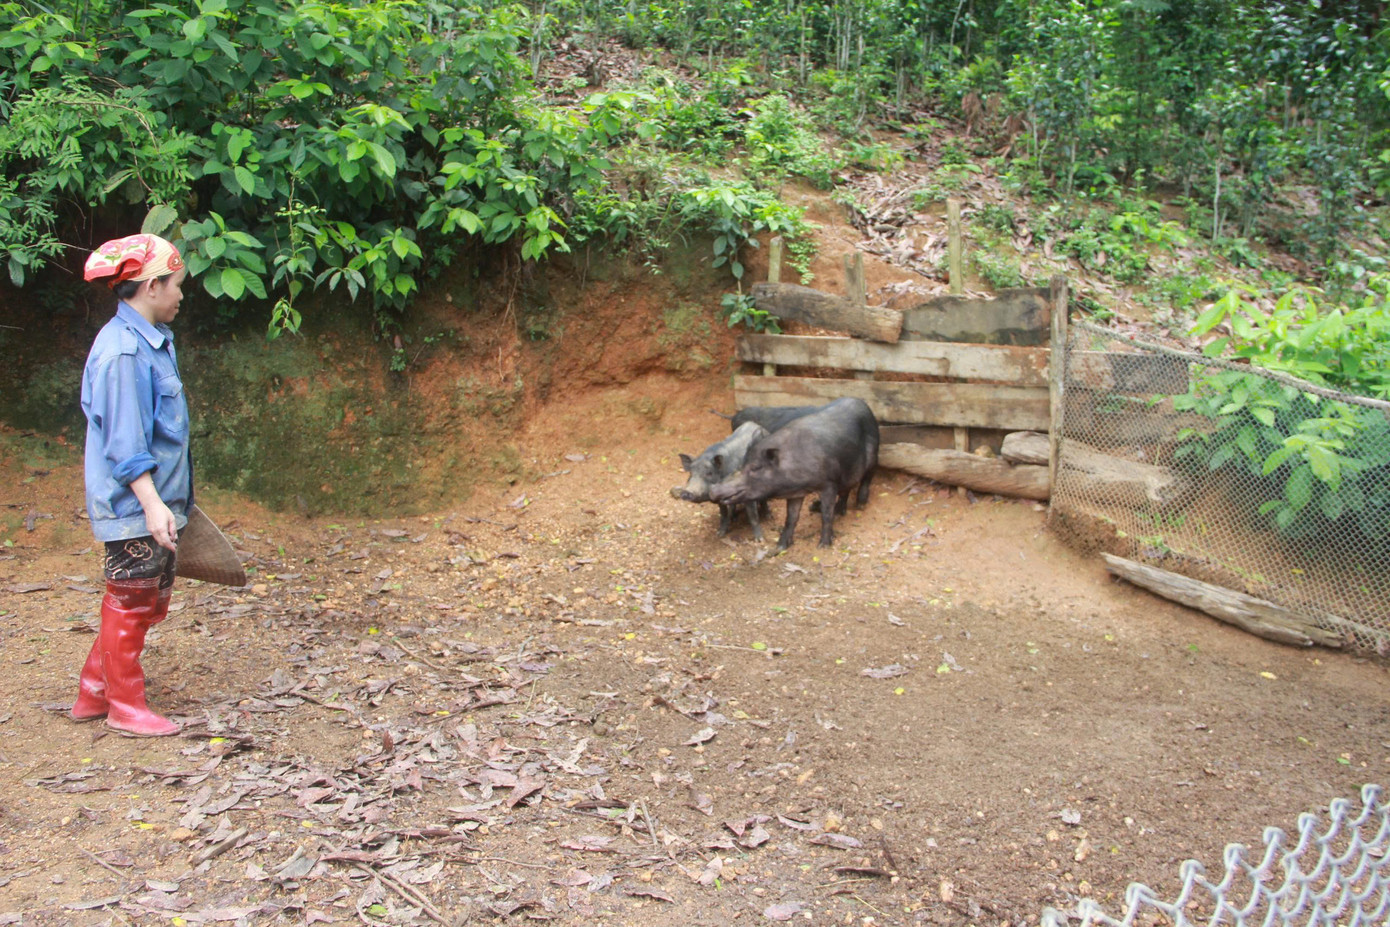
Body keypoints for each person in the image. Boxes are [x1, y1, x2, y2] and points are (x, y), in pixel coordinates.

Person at [71, 233, 191, 737]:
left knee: (147, 599)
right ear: (151, 286)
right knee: (131, 599)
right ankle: (125, 705)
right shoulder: (123, 353)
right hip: (135, 503)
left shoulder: (150, 341)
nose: (181, 295)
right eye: (177, 286)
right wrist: (152, 505)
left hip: (154, 502)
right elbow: (124, 442)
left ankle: (94, 691)